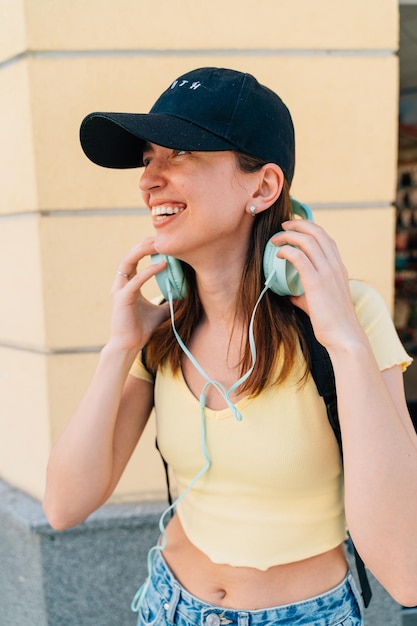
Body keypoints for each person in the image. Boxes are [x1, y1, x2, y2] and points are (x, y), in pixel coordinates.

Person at [44, 67, 417, 626]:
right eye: (149, 158)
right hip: (167, 603)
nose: (149, 180)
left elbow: (407, 568)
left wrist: (344, 340)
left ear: (262, 187)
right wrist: (119, 347)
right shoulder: (164, 326)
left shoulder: (351, 313)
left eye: (180, 154)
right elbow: (63, 508)